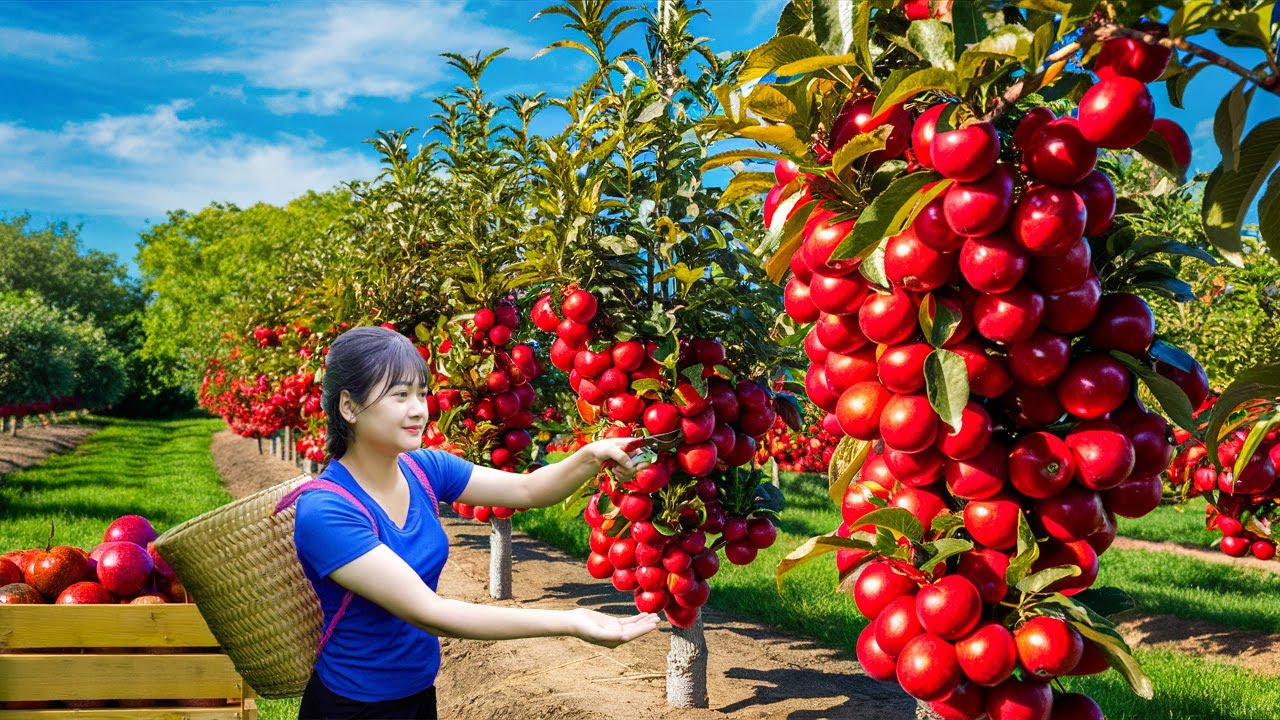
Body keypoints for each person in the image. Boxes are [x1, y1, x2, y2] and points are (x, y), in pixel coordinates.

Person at [294, 326, 658, 719]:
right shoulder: (326, 510)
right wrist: (569, 621)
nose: (419, 409)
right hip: (352, 707)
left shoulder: (426, 469)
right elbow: (428, 611)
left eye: (421, 393)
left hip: (417, 695)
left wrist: (593, 456)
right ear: (349, 407)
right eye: (400, 395)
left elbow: (531, 491)